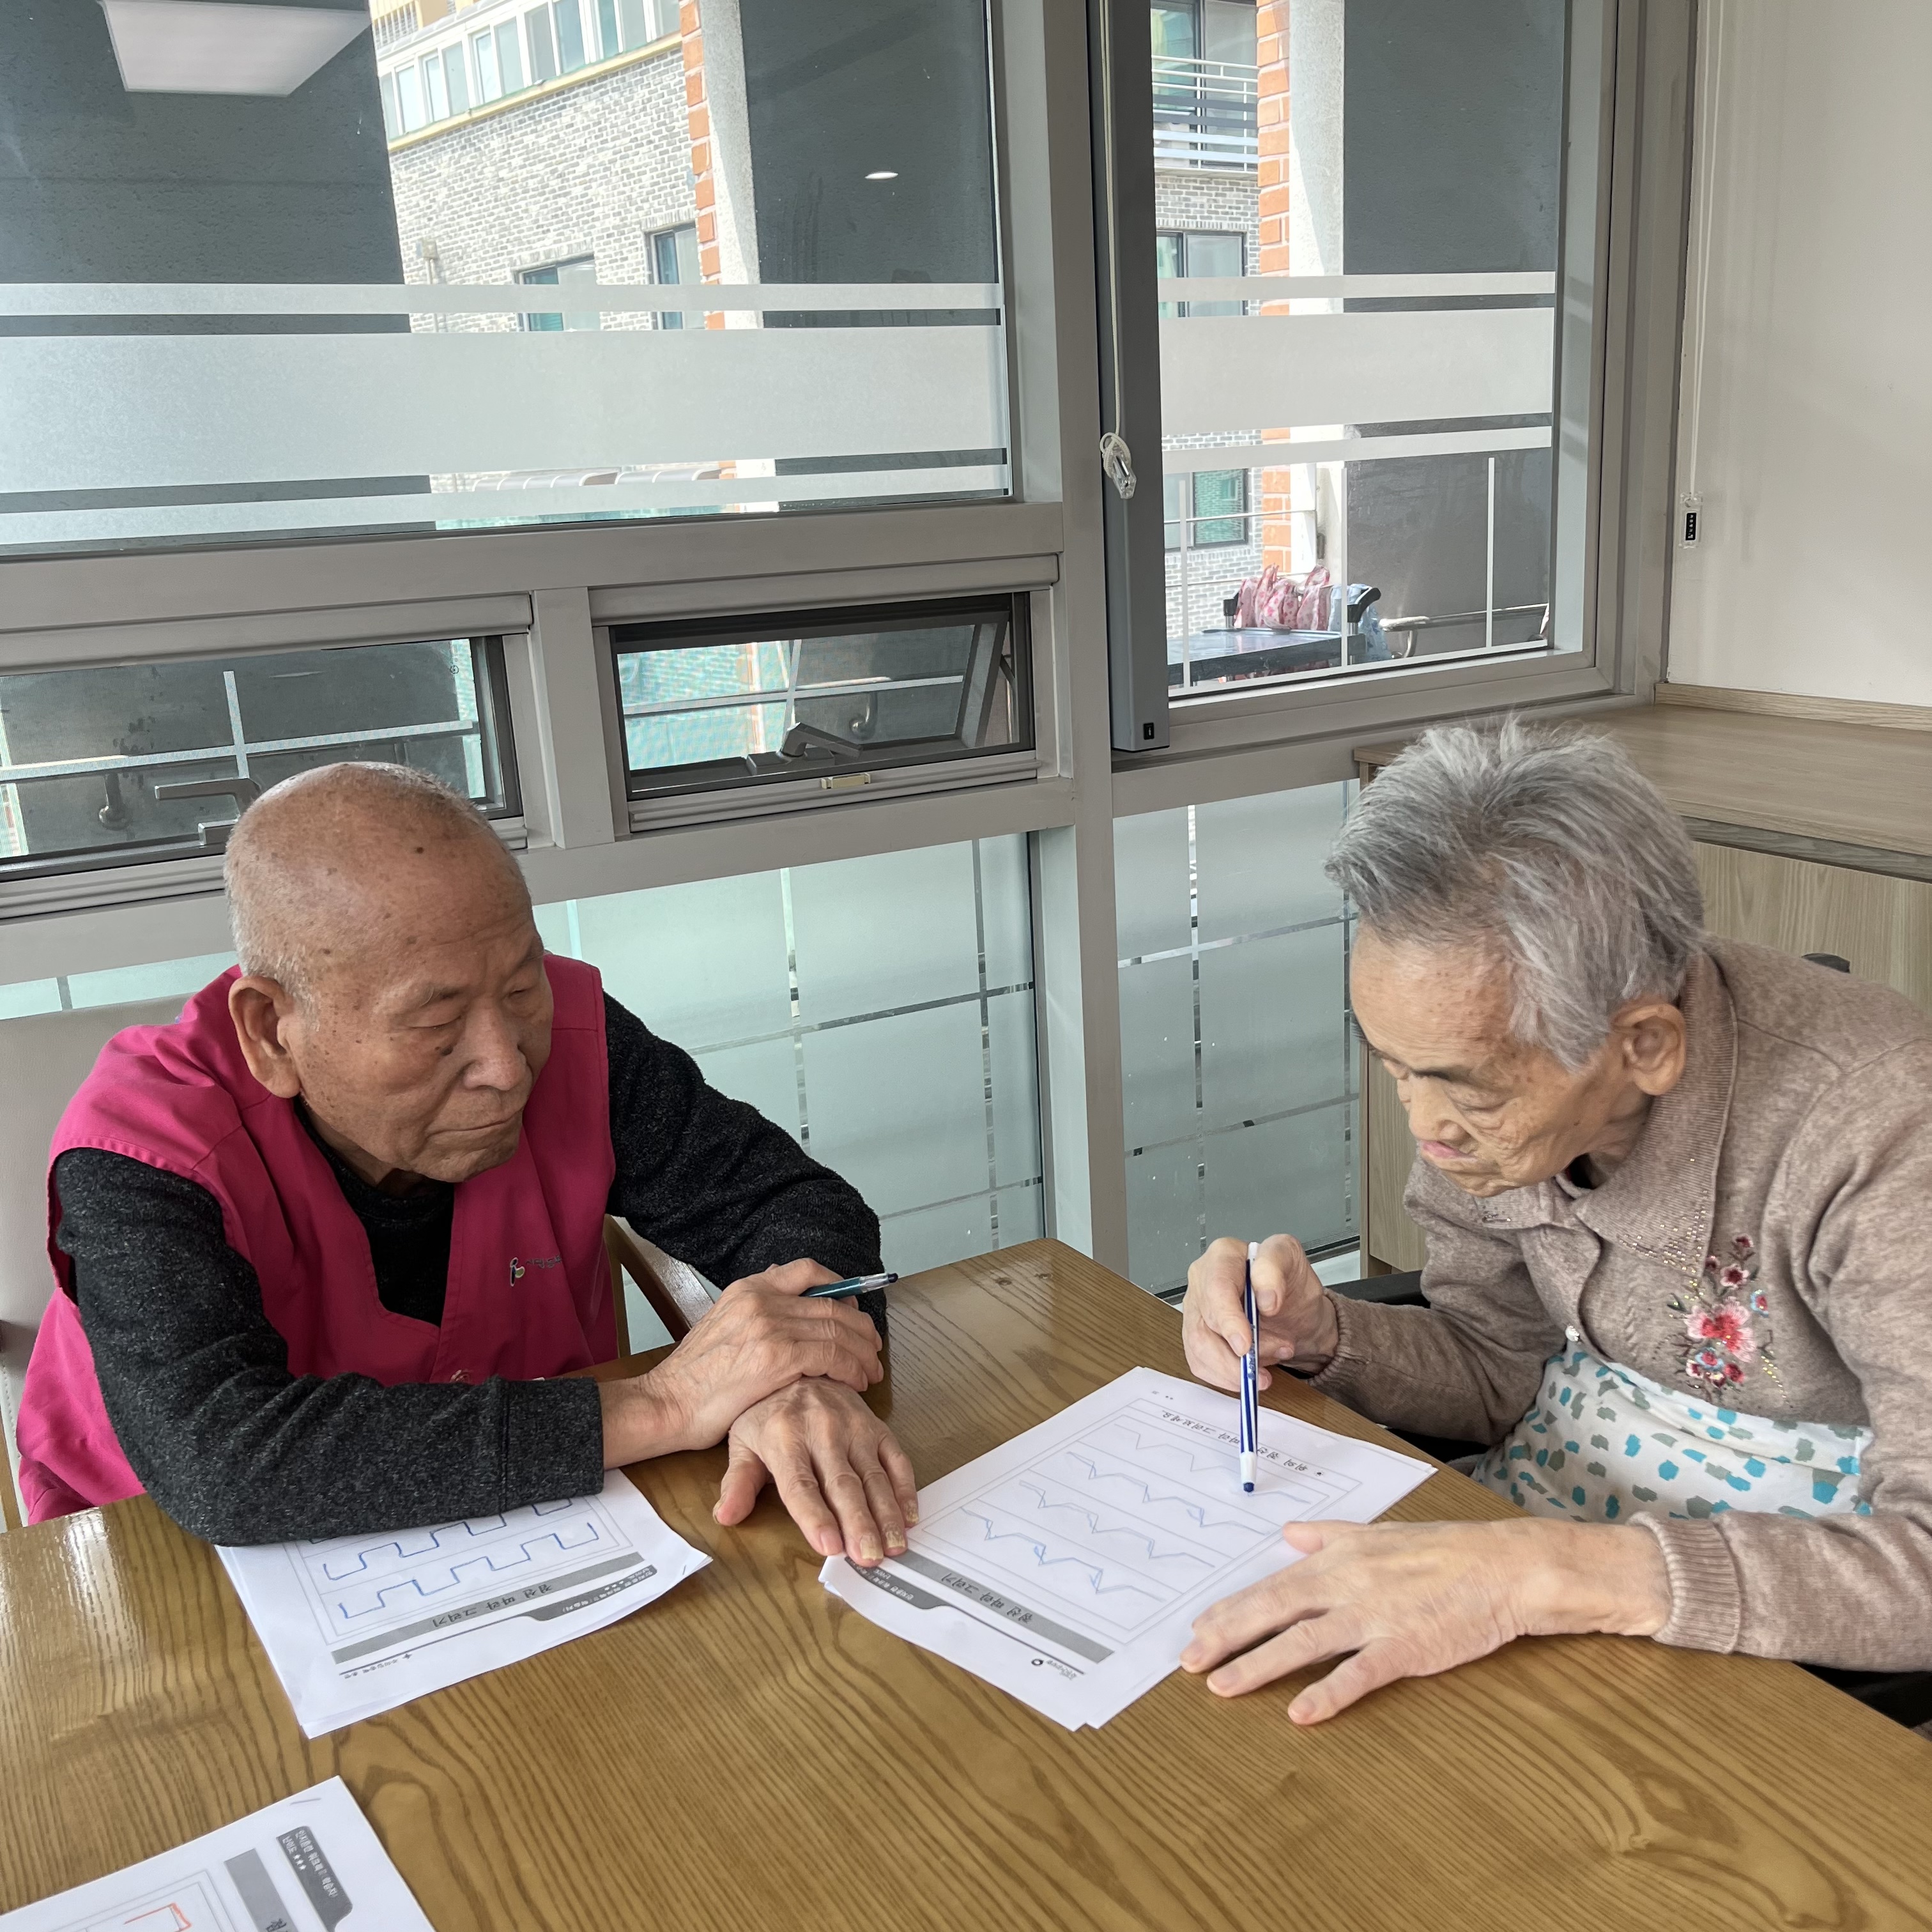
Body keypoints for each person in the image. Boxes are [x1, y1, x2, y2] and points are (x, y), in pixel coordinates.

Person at [1179, 718, 1932, 1723]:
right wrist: (1322, 1336)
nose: (1425, 1128)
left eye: (1468, 1088)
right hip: (1545, 1525)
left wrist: (1541, 1575)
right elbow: (1497, 1370)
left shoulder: (1886, 1134)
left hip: (1784, 1602)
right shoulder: (1486, 1076)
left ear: (1646, 1045)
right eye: (1396, 1067)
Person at [18, 762, 916, 1568]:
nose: (508, 1065)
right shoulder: (142, 1152)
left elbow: (788, 1202)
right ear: (272, 1032)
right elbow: (225, 1460)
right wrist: (670, 1403)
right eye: (436, 1024)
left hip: (548, 1527)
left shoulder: (579, 1041)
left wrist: (795, 1374)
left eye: (521, 986)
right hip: (164, 1562)